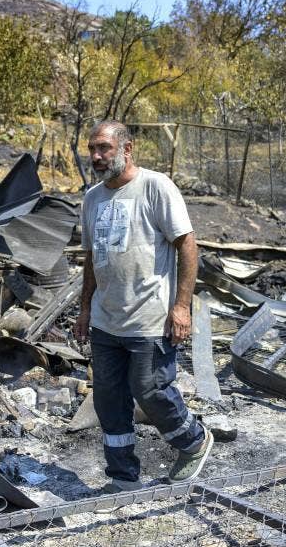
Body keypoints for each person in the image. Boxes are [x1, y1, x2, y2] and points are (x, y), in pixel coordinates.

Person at [73, 120, 213, 493]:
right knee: (108, 398)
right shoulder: (92, 199)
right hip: (106, 319)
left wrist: (182, 307)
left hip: (150, 317)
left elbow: (187, 246)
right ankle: (122, 476)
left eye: (104, 148)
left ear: (127, 148)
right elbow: (91, 258)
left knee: (150, 389)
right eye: (92, 149)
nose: (97, 157)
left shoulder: (155, 187)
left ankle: (193, 442)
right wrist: (85, 309)